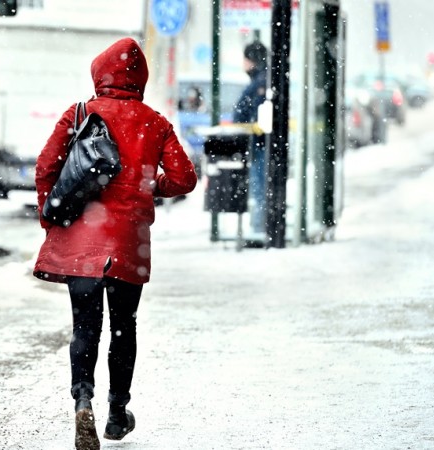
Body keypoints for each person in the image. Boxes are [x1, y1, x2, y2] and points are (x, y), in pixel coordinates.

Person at [33, 38, 197, 450]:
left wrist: (50, 214)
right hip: (129, 242)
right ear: (140, 78)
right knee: (124, 327)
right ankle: (117, 412)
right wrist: (150, 186)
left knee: (85, 327)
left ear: (99, 73)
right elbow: (184, 178)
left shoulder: (80, 114)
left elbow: (45, 166)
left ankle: (82, 400)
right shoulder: (154, 122)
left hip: (80, 244)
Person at [232, 41, 269, 234]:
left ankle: (258, 229)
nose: (243, 64)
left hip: (259, 144)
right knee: (260, 187)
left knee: (259, 188)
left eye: (245, 59)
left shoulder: (259, 84)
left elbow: (248, 113)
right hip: (260, 144)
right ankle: (259, 227)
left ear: (252, 60)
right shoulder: (263, 80)